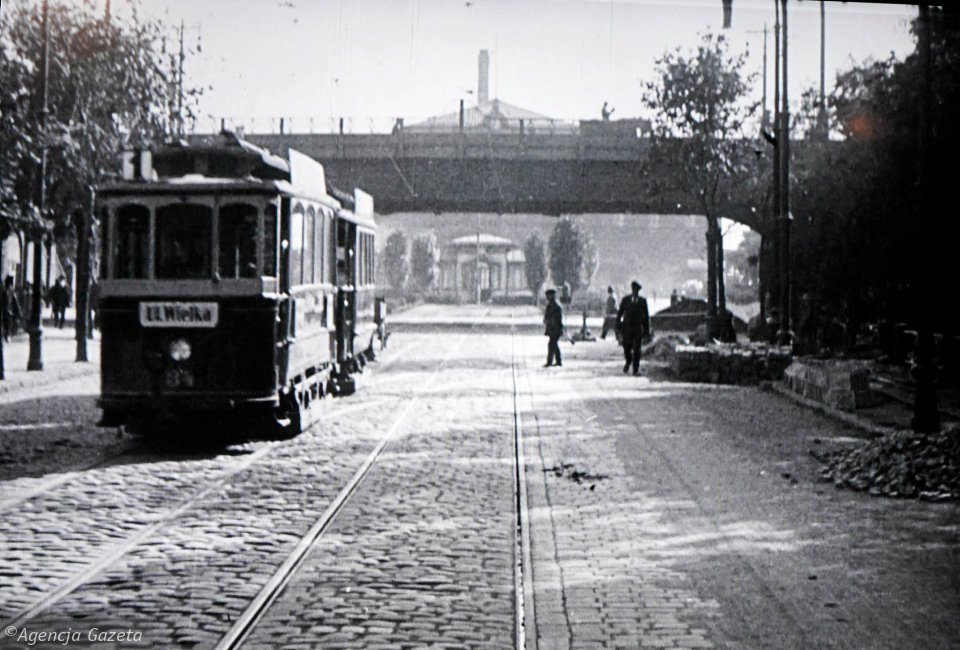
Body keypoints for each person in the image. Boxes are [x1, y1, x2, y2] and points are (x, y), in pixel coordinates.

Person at [616, 280, 650, 376]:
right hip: (627, 328)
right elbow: (620, 313)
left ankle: (635, 370)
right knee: (626, 348)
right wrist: (618, 325)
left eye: (636, 290)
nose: (635, 291)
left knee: (637, 350)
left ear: (638, 291)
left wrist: (647, 331)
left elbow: (646, 317)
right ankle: (628, 361)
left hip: (637, 328)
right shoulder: (625, 300)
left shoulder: (643, 302)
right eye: (633, 289)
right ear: (632, 290)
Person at [543, 288, 564, 367]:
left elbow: (556, 318)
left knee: (552, 344)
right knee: (554, 344)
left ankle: (551, 361)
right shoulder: (552, 304)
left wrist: (548, 321)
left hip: (555, 328)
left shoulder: (554, 305)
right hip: (553, 328)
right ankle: (557, 361)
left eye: (548, 296)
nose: (547, 297)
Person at [2, 275, 21, 341]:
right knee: (7, 322)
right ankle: (7, 335)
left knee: (8, 323)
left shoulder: (9, 293)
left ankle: (7, 335)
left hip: (7, 312)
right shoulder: (6, 293)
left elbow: (16, 304)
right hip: (6, 312)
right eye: (12, 284)